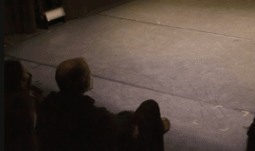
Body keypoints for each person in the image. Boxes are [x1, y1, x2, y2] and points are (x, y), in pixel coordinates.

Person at [36, 58, 170, 151]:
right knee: (150, 107)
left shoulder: (47, 105)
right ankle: (158, 127)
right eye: (88, 74)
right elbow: (115, 127)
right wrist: (130, 118)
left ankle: (158, 126)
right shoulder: (90, 114)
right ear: (84, 82)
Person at [4, 60, 44, 151]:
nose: (26, 69)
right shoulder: (23, 100)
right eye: (24, 71)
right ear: (19, 77)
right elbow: (31, 123)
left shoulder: (11, 92)